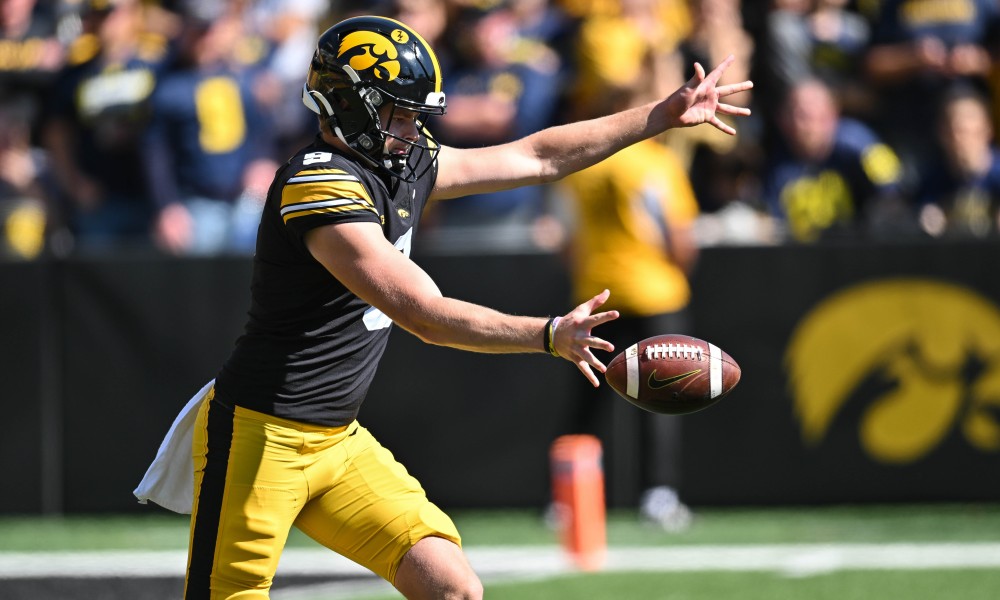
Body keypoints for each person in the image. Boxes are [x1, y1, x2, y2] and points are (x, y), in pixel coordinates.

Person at [139, 15, 751, 599]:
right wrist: (546, 334)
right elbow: (423, 314)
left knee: (452, 586)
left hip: (338, 440)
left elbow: (536, 157)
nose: (413, 130)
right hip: (263, 435)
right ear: (349, 104)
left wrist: (658, 117)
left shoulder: (399, 161)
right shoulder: (319, 183)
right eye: (400, 114)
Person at [761, 78, 909, 242]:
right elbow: (772, 219)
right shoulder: (773, 160)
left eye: (806, 115)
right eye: (791, 114)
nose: (799, 125)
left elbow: (893, 195)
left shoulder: (860, 147)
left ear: (831, 115)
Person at [916, 86, 1000, 238]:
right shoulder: (933, 179)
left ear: (987, 129)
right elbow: (923, 210)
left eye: (965, 130)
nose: (959, 139)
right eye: (952, 131)